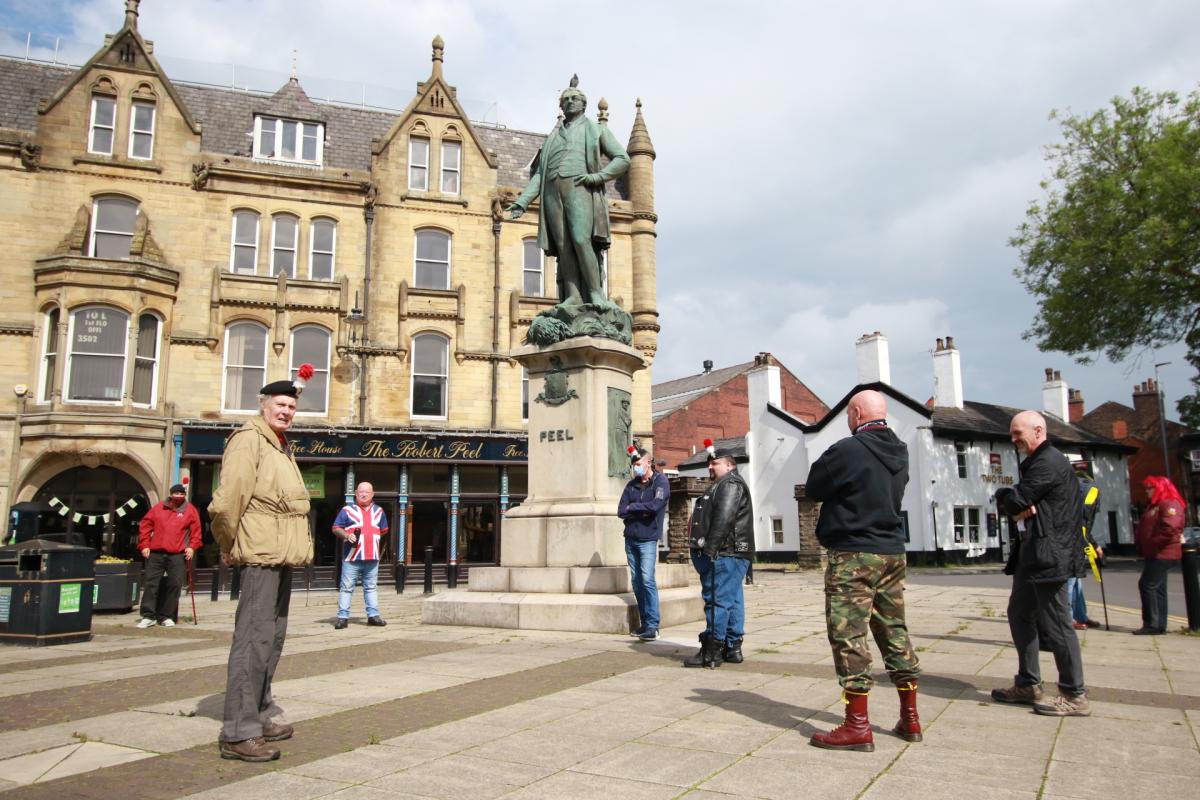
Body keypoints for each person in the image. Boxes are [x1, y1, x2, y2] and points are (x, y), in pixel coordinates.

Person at [805, 390, 921, 752]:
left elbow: (813, 487)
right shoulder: (900, 452)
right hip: (892, 552)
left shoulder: (847, 450)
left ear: (856, 413)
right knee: (893, 629)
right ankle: (910, 717)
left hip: (854, 552)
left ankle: (857, 725)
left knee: (848, 633)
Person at [209, 375, 314, 762]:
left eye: (291, 407)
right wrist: (228, 544)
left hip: (282, 556)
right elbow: (226, 502)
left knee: (272, 641)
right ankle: (238, 732)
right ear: (263, 404)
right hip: (259, 556)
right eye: (280, 405)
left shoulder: (279, 446)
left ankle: (260, 712)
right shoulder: (248, 440)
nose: (286, 412)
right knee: (253, 642)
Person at [992, 410, 1089, 717]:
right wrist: (1009, 498)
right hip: (1033, 555)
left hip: (1050, 555)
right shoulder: (1035, 462)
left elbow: (1017, 501)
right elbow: (1011, 499)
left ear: (1038, 430)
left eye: (1017, 432)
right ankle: (1028, 683)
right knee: (1019, 614)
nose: (1013, 438)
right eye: (1012, 433)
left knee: (1057, 624)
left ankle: (1074, 694)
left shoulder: (1048, 462)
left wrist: (1013, 501)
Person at [509, 75, 630, 306]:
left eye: (575, 98)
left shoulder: (595, 129)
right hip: (552, 192)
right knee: (563, 246)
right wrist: (522, 202)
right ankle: (573, 296)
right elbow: (539, 175)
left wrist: (598, 177)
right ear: (561, 106)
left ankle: (595, 293)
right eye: (566, 99)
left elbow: (622, 159)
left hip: (580, 187)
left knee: (580, 239)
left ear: (584, 104)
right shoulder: (553, 137)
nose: (570, 101)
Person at [684, 443, 754, 669]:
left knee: (717, 601)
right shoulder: (724, 484)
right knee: (732, 600)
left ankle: (712, 653)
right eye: (709, 463)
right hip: (731, 552)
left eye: (715, 463)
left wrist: (710, 550)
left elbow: (724, 518)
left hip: (725, 553)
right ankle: (732, 648)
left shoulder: (730, 484)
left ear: (730, 465)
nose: (710, 467)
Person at [618, 445, 670, 641]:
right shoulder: (631, 485)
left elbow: (656, 506)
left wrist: (634, 507)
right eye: (634, 465)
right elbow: (621, 510)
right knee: (637, 582)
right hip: (631, 537)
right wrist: (639, 509)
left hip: (648, 538)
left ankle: (653, 625)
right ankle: (644, 621)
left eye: (639, 464)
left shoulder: (660, 482)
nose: (636, 468)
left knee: (647, 579)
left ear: (649, 463)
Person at [134, 483, 201, 629]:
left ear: (184, 495)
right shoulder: (159, 507)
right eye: (176, 494)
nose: (178, 496)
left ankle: (167, 616)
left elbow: (196, 531)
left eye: (181, 494)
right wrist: (144, 544)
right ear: (170, 494)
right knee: (151, 584)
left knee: (175, 584)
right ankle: (148, 616)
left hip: (177, 553)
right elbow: (145, 524)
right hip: (156, 552)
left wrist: (192, 547)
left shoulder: (190, 510)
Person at [1132, 475, 1186, 635]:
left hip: (1163, 553)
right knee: (1158, 588)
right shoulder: (1155, 505)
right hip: (1156, 553)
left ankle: (1152, 624)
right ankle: (1159, 624)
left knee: (1147, 585)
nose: (1146, 491)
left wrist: (1152, 542)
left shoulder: (1169, 504)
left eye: (1150, 488)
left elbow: (1171, 529)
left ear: (1160, 488)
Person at [332, 482, 389, 629]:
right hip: (352, 557)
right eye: (361, 492)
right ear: (356, 494)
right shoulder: (347, 510)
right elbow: (336, 528)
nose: (363, 494)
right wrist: (346, 535)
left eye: (367, 492)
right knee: (346, 587)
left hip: (372, 557)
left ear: (372, 494)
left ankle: (373, 616)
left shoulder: (379, 511)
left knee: (371, 587)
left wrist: (370, 540)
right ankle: (342, 617)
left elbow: (383, 530)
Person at [1067, 467, 1103, 630]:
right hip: (1075, 542)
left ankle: (1080, 616)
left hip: (1071, 540)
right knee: (1070, 582)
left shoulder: (1071, 488)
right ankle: (1069, 619)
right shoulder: (1091, 490)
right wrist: (1093, 544)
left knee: (1076, 582)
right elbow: (1084, 521)